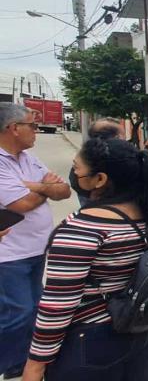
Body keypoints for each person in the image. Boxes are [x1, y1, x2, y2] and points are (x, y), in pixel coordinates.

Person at [21, 138, 148, 381]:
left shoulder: (82, 227)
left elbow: (58, 303)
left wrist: (36, 364)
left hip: (95, 339)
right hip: (146, 331)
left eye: (76, 168)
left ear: (100, 179)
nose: (73, 174)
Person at [0, 103, 71, 379]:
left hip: (35, 250)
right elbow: (23, 203)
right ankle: (13, 365)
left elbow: (64, 190)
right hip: (9, 255)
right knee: (17, 312)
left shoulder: (28, 159)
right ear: (14, 128)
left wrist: (33, 185)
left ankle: (27, 359)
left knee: (33, 307)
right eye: (32, 125)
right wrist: (42, 187)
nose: (37, 131)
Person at [68, 118, 123, 207]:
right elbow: (75, 178)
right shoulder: (117, 157)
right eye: (120, 135)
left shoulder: (84, 154)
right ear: (115, 137)